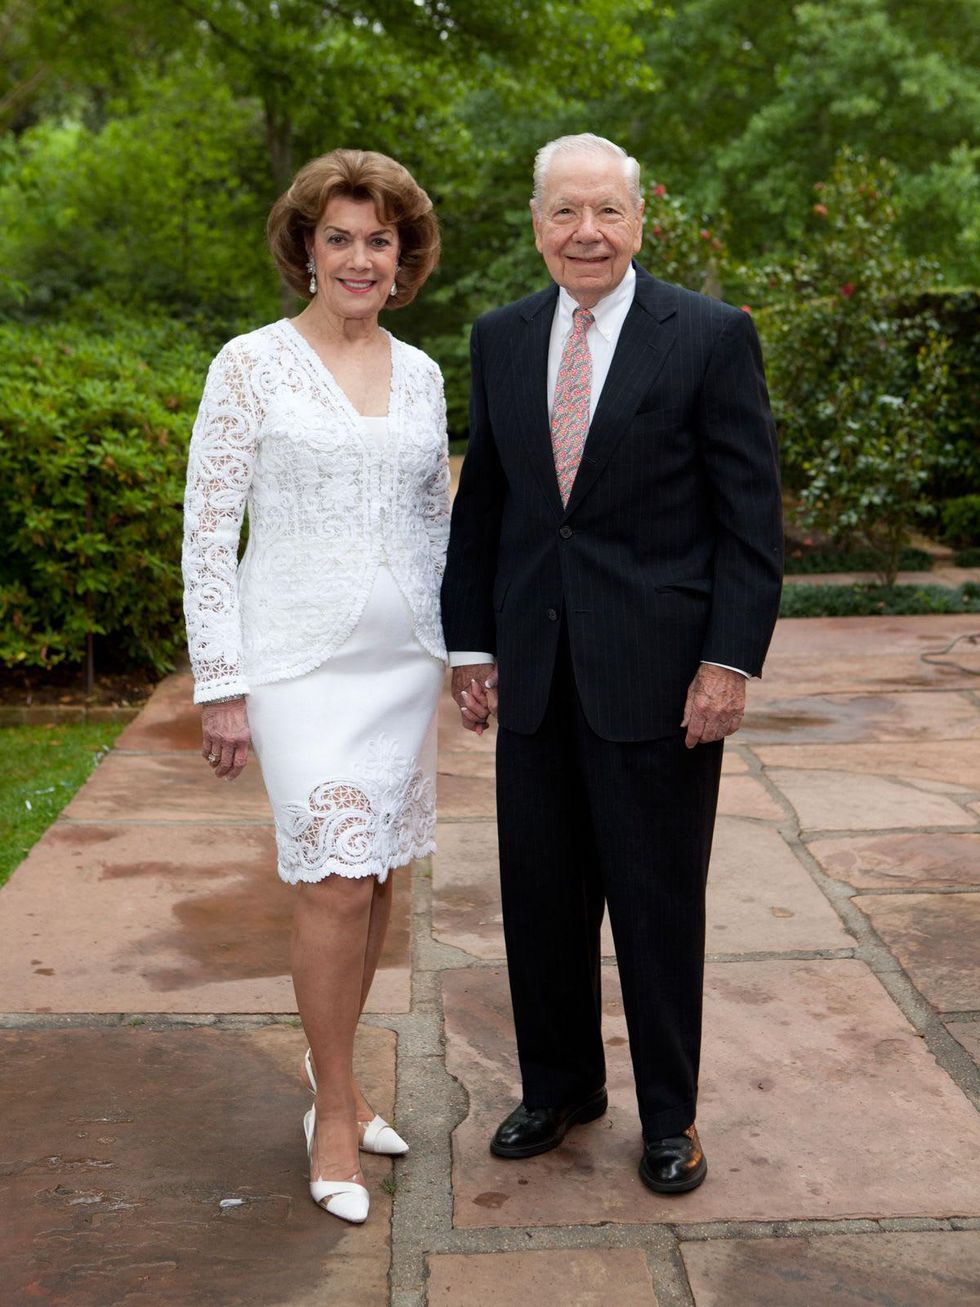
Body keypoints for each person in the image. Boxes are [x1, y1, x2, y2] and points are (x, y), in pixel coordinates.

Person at [441, 133, 782, 1195]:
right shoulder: (499, 337)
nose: (584, 232)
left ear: (639, 222)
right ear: (535, 223)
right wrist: (470, 643)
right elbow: (487, 503)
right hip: (536, 667)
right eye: (563, 212)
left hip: (660, 677)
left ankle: (668, 1118)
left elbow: (748, 520)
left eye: (605, 212)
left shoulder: (711, 335)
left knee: (653, 902)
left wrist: (726, 659)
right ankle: (557, 1086)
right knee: (538, 896)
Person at [182, 149, 449, 1225]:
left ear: (402, 256)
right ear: (304, 249)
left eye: (377, 238)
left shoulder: (423, 373)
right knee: (332, 877)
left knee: (378, 874)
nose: (357, 256)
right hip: (293, 660)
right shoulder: (249, 364)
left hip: (403, 665)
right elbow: (207, 529)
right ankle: (331, 1108)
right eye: (337, 236)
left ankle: (335, 1075)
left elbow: (437, 520)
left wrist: (465, 652)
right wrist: (221, 683)